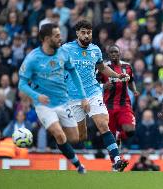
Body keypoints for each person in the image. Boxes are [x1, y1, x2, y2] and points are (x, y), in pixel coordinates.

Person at [18, 23, 89, 174]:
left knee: (75, 138)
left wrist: (83, 97)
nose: (60, 38)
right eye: (57, 36)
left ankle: (58, 138)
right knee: (59, 133)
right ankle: (78, 164)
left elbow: (74, 73)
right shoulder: (32, 59)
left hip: (63, 102)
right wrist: (37, 96)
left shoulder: (63, 53)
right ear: (46, 39)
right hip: (44, 105)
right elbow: (22, 84)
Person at [62, 20, 129, 171]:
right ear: (77, 33)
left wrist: (117, 76)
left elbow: (102, 68)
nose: (87, 36)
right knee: (80, 136)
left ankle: (117, 160)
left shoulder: (95, 50)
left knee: (103, 124)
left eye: (89, 33)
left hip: (92, 93)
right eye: (83, 33)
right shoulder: (66, 49)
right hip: (73, 97)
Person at [98, 45, 139, 146]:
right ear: (108, 54)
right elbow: (93, 84)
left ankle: (119, 134)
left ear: (120, 53)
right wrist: (103, 86)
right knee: (110, 138)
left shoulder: (127, 67)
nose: (114, 54)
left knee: (130, 130)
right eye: (111, 52)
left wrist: (134, 90)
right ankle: (115, 158)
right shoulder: (103, 68)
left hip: (124, 104)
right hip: (108, 105)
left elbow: (131, 80)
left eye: (116, 52)